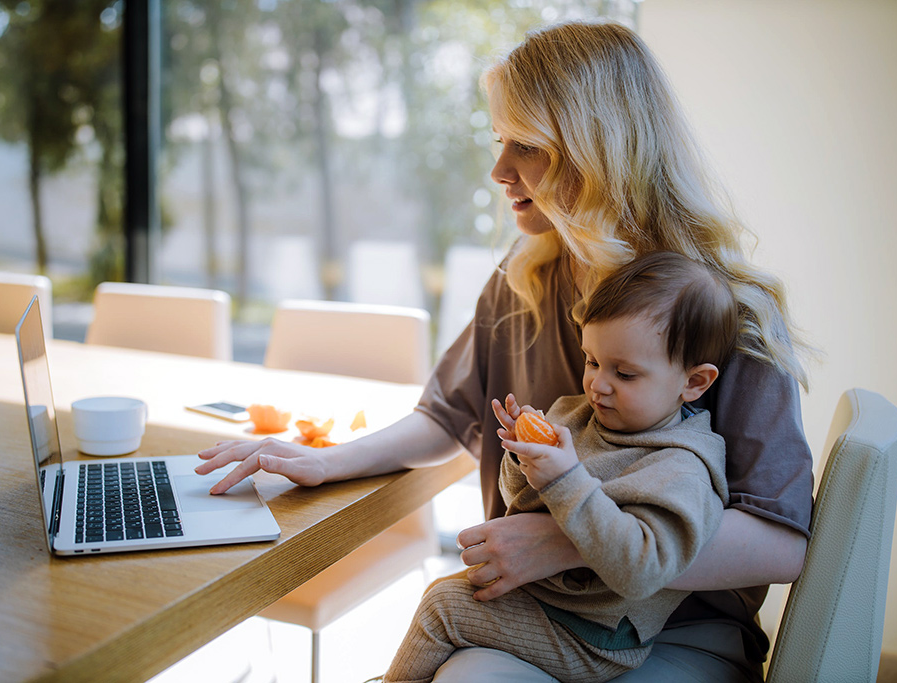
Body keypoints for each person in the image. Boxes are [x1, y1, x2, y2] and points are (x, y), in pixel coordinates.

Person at [196, 20, 813, 682]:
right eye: (499, 142)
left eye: (528, 146)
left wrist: (567, 540)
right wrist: (329, 460)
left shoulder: (726, 311)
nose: (498, 170)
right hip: (542, 608)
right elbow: (447, 415)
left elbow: (780, 542)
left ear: (596, 150)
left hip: (676, 630)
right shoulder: (525, 276)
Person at [383, 251, 736, 682]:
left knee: (442, 609)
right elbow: (523, 503)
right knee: (446, 595)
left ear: (694, 382)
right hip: (548, 602)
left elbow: (643, 570)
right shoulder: (577, 414)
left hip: (595, 635)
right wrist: (523, 457)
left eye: (624, 374)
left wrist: (566, 480)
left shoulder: (682, 466)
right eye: (592, 361)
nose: (597, 385)